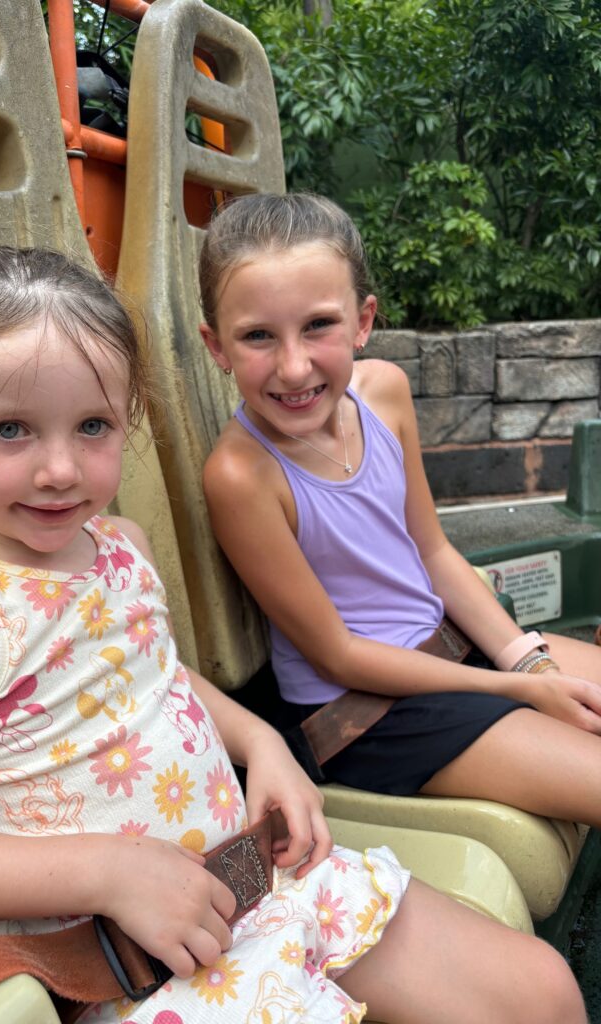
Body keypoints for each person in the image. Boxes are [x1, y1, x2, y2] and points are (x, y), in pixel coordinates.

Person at [0, 242, 584, 1024]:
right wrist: (109, 872)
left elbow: (158, 677)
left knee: (542, 992)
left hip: (256, 879)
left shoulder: (120, 545)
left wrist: (261, 743)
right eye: (9, 431)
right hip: (128, 952)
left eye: (92, 426)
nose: (59, 469)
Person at [200, 191, 601, 826]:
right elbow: (337, 654)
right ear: (216, 345)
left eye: (318, 326)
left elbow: (434, 553)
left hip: (450, 649)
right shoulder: (241, 476)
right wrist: (522, 688)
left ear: (362, 321)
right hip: (368, 710)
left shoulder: (383, 391)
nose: (294, 365)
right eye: (257, 336)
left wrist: (530, 659)